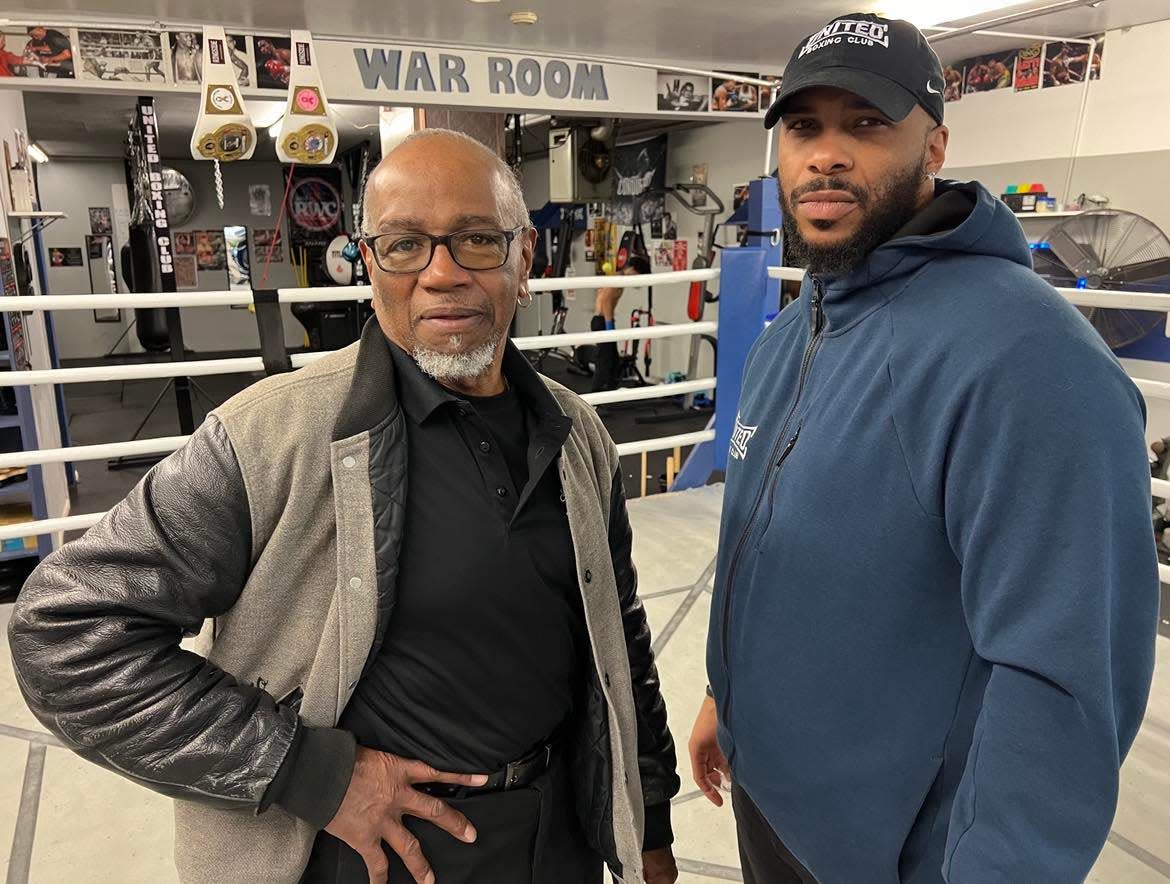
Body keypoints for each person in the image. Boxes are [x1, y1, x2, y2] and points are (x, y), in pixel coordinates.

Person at [10, 129, 681, 884]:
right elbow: (64, 633)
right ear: (369, 266)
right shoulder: (272, 436)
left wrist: (646, 816)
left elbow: (616, 633)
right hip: (374, 857)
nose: (441, 274)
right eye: (403, 246)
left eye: (476, 241)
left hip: (557, 843)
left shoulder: (575, 433)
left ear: (525, 259)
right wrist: (311, 774)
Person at [689, 12, 1158, 883]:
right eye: (804, 126)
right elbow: (771, 542)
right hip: (774, 804)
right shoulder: (796, 331)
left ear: (934, 144)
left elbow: (1063, 683)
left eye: (866, 123)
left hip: (895, 856)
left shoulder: (1032, 362)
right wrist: (728, 689)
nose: (826, 154)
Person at [590, 254, 651, 392]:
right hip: (602, 321)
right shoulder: (617, 279)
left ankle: (611, 391)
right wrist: (609, 325)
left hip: (604, 321)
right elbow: (605, 301)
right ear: (634, 270)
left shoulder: (619, 278)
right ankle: (595, 396)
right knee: (604, 359)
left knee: (613, 359)